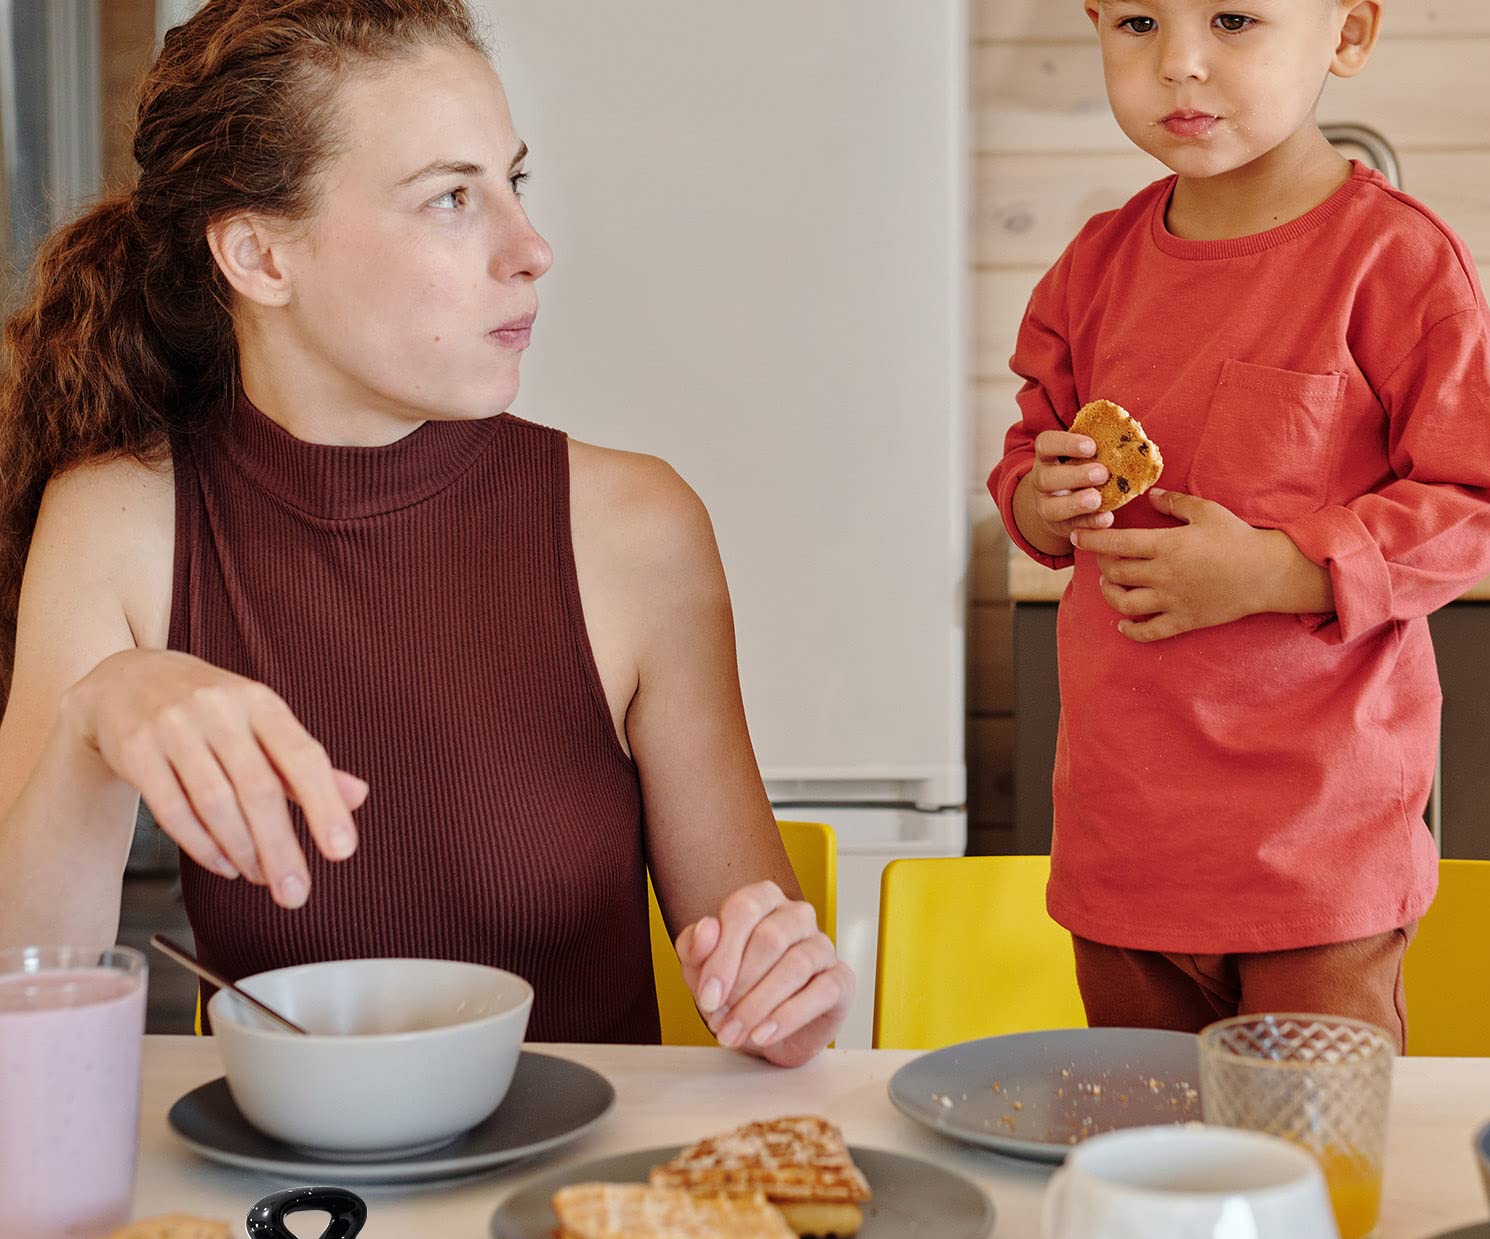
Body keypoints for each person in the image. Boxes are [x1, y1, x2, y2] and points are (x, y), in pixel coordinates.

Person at [0, 0, 852, 1067]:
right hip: (282, 1173)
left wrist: (786, 991)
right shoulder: (117, 523)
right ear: (260, 256)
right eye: (451, 197)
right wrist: (93, 724)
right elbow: (14, 1000)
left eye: (513, 182)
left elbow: (772, 1008)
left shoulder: (638, 532)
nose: (531, 248)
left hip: (584, 1174)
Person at [988, 0, 1490, 1049]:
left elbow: (1476, 504)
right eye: (1137, 22)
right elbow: (1028, 456)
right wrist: (1037, 500)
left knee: (1310, 1151)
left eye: (1233, 20)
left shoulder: (1398, 260)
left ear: (1347, 35)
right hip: (1123, 852)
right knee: (1141, 1142)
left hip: (1320, 859)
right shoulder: (1089, 268)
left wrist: (1277, 571)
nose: (1179, 63)